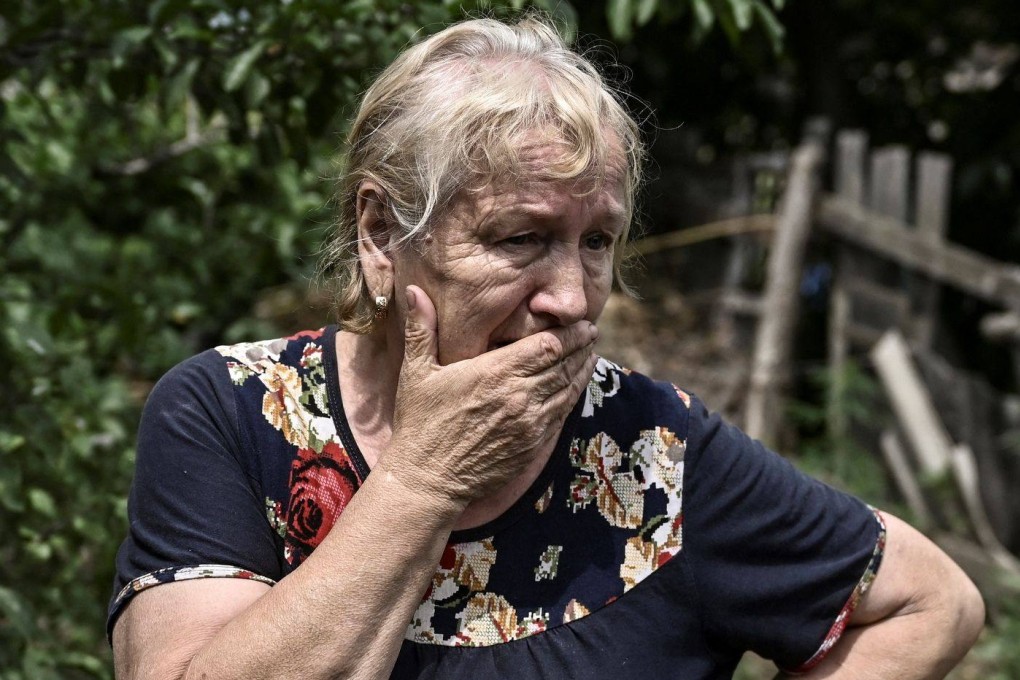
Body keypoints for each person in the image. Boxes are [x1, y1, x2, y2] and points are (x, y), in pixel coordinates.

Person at [109, 13, 984, 680]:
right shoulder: (230, 414)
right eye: (519, 239)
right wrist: (423, 480)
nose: (571, 297)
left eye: (597, 242)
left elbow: (932, 602)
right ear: (381, 233)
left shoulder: (649, 453)